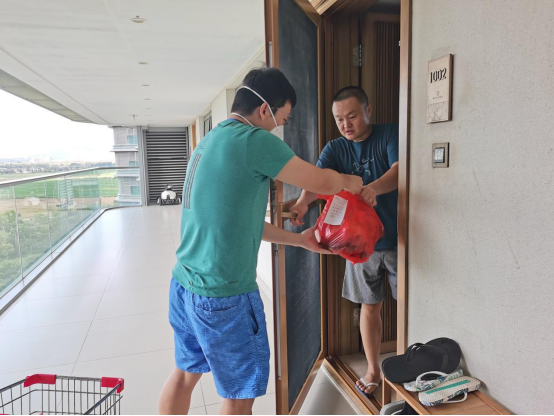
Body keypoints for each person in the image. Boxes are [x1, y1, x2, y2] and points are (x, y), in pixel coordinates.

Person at [159, 68, 363, 416]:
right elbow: (320, 181)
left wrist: (298, 240)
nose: (278, 128)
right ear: (265, 109)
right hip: (223, 296)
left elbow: (240, 222)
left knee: (183, 375)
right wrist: (349, 181)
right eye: (282, 119)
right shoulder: (253, 139)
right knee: (239, 397)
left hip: (184, 286)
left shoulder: (209, 141)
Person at [291, 86, 399, 398]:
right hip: (358, 246)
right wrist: (302, 204)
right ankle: (373, 369)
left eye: (351, 116)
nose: (345, 124)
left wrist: (373, 188)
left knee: (409, 304)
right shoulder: (335, 148)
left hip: (399, 238)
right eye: (339, 119)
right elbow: (316, 179)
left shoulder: (389, 134)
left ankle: (411, 367)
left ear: (368, 110)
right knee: (369, 306)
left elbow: (399, 171)